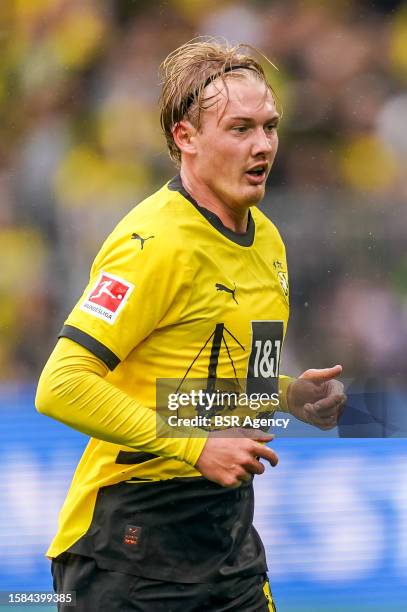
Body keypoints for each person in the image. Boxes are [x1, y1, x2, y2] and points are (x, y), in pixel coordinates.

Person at [36, 38, 346, 612]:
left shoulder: (269, 241)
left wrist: (288, 394)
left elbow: (235, 390)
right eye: (240, 129)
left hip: (226, 542)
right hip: (127, 548)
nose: (263, 146)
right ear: (186, 137)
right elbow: (62, 384)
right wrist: (196, 445)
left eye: (270, 127)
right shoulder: (152, 243)